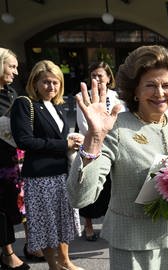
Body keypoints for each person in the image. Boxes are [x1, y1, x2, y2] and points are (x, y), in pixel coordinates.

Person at [67, 45, 168, 269]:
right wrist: (94, 138)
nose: (160, 93)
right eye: (151, 85)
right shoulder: (115, 128)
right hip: (133, 245)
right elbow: (79, 198)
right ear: (135, 90)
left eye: (166, 85)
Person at [11, 60, 84, 270]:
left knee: (63, 221)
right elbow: (24, 141)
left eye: (55, 82)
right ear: (35, 82)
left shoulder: (57, 105)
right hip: (40, 177)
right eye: (46, 82)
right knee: (48, 225)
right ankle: (53, 265)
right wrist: (64, 144)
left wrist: (71, 141)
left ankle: (66, 262)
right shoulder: (24, 104)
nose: (51, 87)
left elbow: (57, 137)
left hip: (62, 173)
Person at [75, 61, 125, 242]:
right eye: (93, 75)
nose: (96, 79)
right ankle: (87, 225)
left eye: (100, 75)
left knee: (111, 189)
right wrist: (98, 135)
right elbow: (82, 125)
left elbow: (122, 122)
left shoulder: (118, 96)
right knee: (90, 183)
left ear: (109, 78)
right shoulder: (83, 96)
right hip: (93, 145)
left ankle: (109, 225)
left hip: (114, 147)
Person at [0, 48, 31, 270]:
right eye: (11, 66)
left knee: (12, 206)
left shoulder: (12, 93)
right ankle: (8, 253)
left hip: (13, 160)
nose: (16, 71)